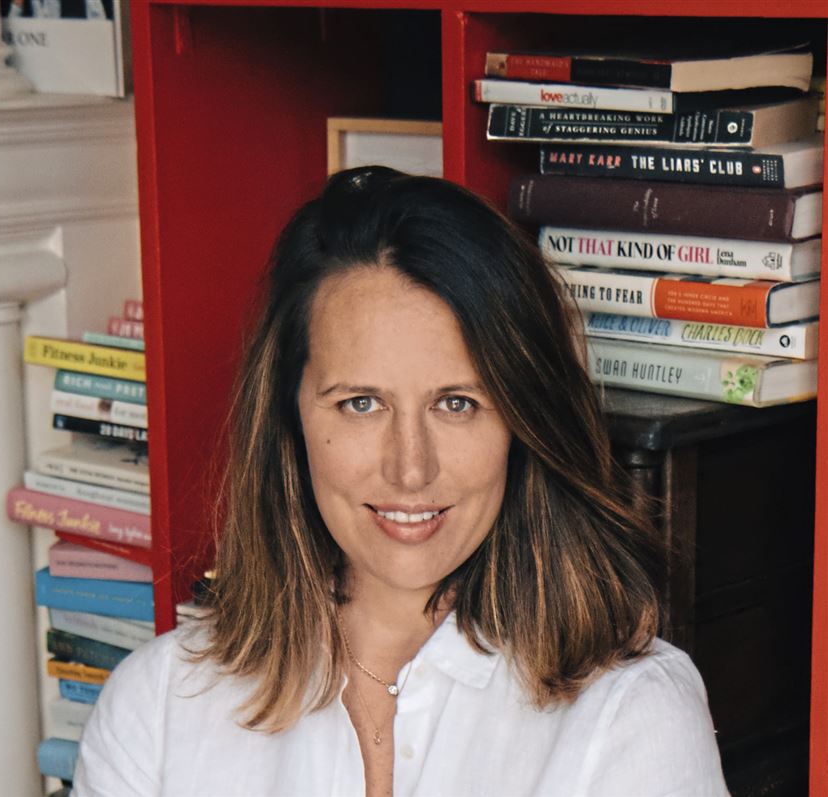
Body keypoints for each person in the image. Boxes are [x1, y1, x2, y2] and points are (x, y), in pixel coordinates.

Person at [72, 167, 728, 796]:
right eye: (361, 403)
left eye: (457, 403)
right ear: (289, 416)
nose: (410, 469)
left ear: (524, 422)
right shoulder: (157, 706)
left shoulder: (631, 712)